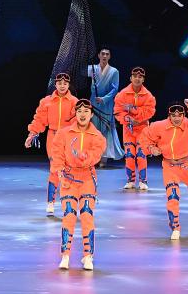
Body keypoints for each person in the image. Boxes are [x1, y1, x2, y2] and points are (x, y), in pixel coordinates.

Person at [52, 98, 106, 270]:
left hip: (87, 179)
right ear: (75, 114)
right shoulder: (63, 133)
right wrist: (60, 172)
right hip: (69, 178)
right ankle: (65, 255)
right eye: (79, 111)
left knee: (87, 215)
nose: (82, 114)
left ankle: (88, 256)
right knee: (68, 215)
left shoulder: (97, 136)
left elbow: (96, 155)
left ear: (91, 115)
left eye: (86, 112)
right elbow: (57, 154)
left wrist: (85, 157)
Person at [141, 100, 188, 240]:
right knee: (172, 196)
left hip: (185, 164)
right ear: (169, 115)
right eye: (173, 115)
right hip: (169, 166)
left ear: (183, 115)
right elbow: (145, 137)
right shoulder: (159, 126)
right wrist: (151, 148)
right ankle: (175, 227)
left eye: (180, 115)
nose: (177, 118)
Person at [25, 72, 77, 215]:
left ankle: (69, 202)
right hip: (53, 137)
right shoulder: (46, 101)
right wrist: (31, 135)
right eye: (59, 83)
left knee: (69, 170)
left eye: (65, 83)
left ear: (68, 85)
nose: (62, 86)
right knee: (55, 169)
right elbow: (39, 120)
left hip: (68, 138)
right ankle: (50, 202)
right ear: (55, 84)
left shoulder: (74, 102)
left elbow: (78, 122)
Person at [113, 67, 156, 190]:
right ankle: (130, 180)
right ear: (130, 78)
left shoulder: (148, 95)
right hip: (128, 129)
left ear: (143, 79)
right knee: (129, 155)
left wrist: (133, 110)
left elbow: (150, 111)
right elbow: (118, 111)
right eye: (135, 76)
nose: (137, 79)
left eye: (140, 77)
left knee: (141, 154)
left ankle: (143, 181)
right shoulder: (122, 94)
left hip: (142, 129)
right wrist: (128, 118)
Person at [89, 48, 125, 165]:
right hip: (94, 102)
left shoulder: (114, 71)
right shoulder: (92, 69)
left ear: (109, 56)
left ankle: (104, 156)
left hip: (107, 103)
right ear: (99, 55)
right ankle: (93, 156)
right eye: (103, 54)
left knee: (106, 128)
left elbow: (115, 89)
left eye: (107, 54)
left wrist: (104, 99)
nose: (104, 56)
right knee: (94, 127)